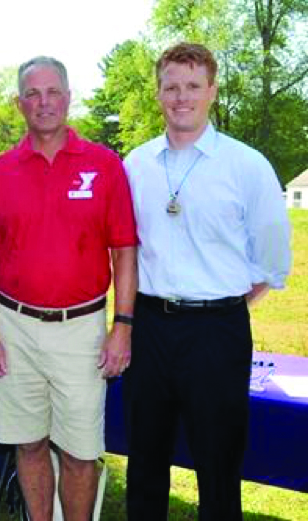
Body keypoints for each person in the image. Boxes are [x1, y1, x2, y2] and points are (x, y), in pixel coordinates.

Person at [122, 42, 292, 521]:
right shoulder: (135, 166)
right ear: (157, 93)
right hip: (149, 327)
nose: (182, 96)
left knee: (218, 464)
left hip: (217, 332)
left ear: (212, 91)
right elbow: (124, 248)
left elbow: (272, 260)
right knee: (146, 460)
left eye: (193, 86)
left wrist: (220, 303)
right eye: (171, 86)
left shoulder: (247, 166)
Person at [0, 56, 138, 521]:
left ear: (69, 98)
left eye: (52, 92)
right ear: (19, 103)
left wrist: (122, 326)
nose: (43, 102)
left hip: (81, 327)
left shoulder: (104, 166)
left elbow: (124, 251)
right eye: (32, 93)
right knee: (28, 443)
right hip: (14, 327)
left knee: (80, 450)